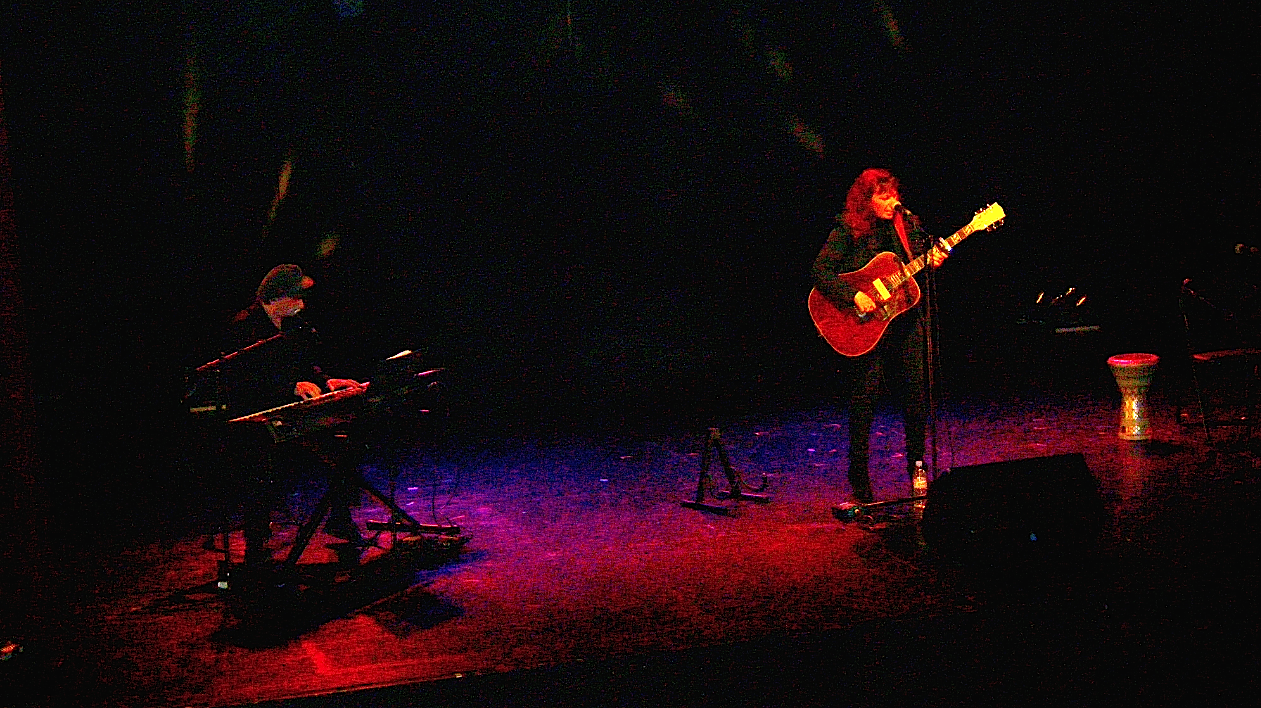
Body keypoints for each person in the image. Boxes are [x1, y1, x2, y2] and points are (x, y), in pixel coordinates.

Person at [217, 264, 367, 578]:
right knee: (261, 470)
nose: (303, 303)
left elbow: (305, 366)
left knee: (348, 442)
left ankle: (338, 516)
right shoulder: (244, 327)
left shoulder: (293, 326)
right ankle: (256, 546)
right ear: (277, 297)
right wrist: (288, 388)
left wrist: (327, 383)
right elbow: (241, 382)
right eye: (297, 296)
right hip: (252, 420)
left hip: (291, 414)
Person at [811, 169, 946, 503]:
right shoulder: (848, 229)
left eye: (893, 195)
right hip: (866, 326)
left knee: (916, 396)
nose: (891, 202)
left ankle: (918, 467)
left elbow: (913, 268)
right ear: (866, 200)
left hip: (905, 320)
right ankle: (858, 474)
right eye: (882, 197)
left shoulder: (906, 226)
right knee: (865, 400)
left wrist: (932, 261)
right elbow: (820, 272)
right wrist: (854, 296)